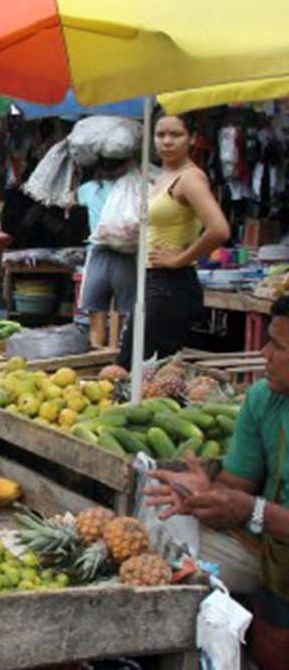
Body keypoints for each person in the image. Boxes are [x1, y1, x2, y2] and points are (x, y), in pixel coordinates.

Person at [147, 296, 289, 669]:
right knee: (161, 546)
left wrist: (250, 510)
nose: (264, 354)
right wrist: (205, 495)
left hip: (275, 538)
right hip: (270, 547)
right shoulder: (264, 399)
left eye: (278, 345)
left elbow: (246, 507)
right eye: (268, 340)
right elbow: (236, 487)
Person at [117, 113, 230, 369]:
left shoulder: (190, 178)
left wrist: (179, 259)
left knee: (134, 371)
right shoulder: (162, 177)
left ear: (191, 139)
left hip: (170, 286)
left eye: (176, 135)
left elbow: (219, 230)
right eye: (160, 135)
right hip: (154, 282)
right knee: (142, 373)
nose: (167, 141)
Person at [78, 157, 137, 347]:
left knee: (96, 316)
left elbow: (69, 198)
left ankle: (98, 358)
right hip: (127, 255)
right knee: (126, 316)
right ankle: (118, 356)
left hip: (99, 255)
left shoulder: (89, 189)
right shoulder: (134, 188)